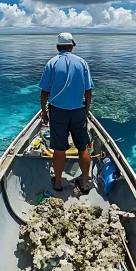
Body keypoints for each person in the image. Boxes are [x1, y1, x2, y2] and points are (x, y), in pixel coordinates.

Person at [39, 32, 94, 194]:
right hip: (78, 111)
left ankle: (57, 183)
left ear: (58, 47)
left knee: (59, 149)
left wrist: (44, 111)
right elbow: (88, 90)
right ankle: (84, 184)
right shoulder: (82, 63)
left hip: (58, 112)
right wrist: (87, 109)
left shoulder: (52, 63)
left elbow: (44, 91)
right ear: (71, 46)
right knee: (83, 147)